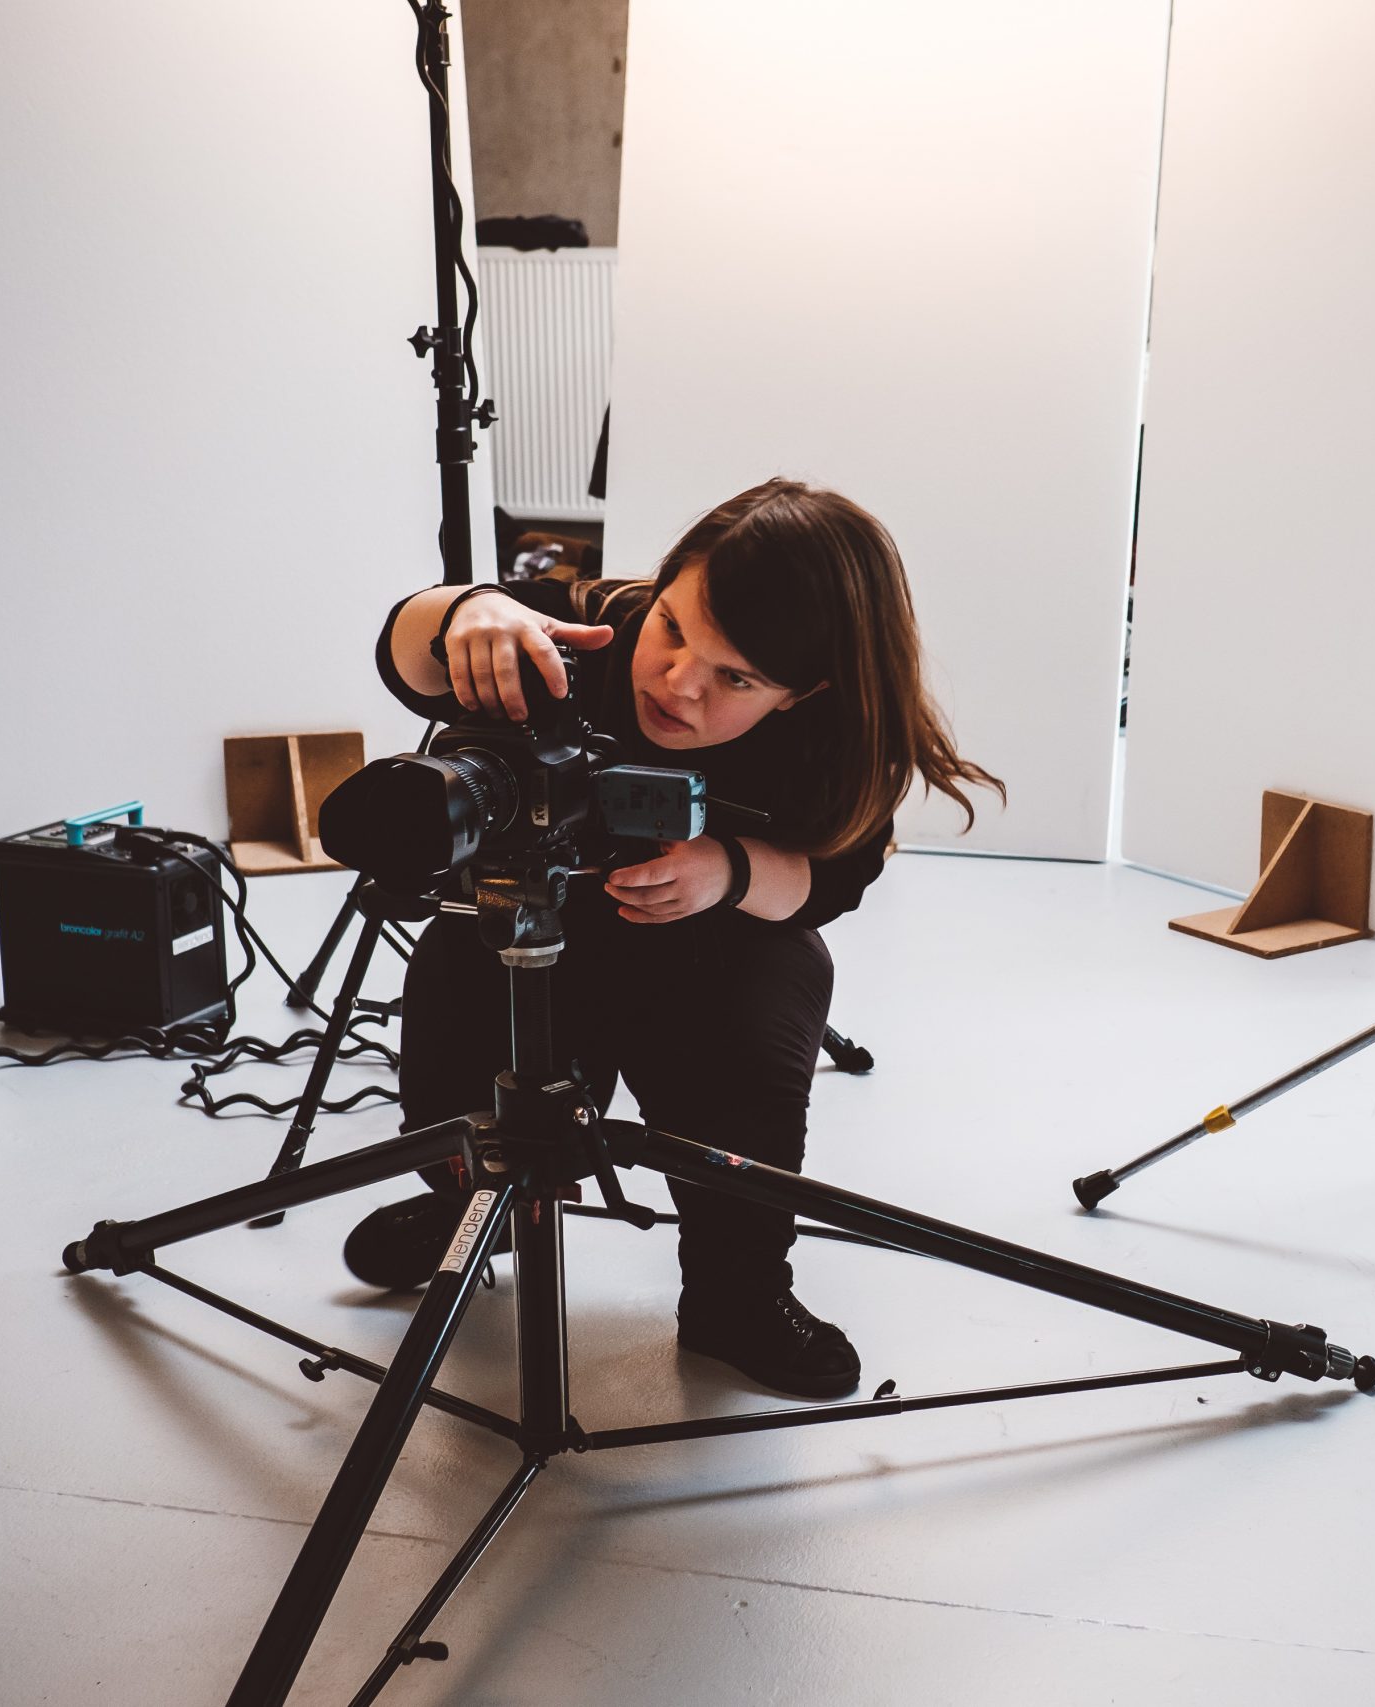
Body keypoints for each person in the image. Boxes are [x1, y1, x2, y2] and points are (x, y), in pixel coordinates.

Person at [343, 479, 1002, 1399]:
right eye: (677, 628)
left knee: (746, 1093)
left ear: (801, 692)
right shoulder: (595, 630)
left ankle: (737, 1295)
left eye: (737, 678)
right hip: (525, 925)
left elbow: (838, 879)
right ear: (661, 585)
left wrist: (727, 870)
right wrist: (469, 609)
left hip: (721, 942)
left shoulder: (838, 737)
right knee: (463, 1097)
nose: (680, 682)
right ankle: (470, 1212)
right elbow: (405, 648)